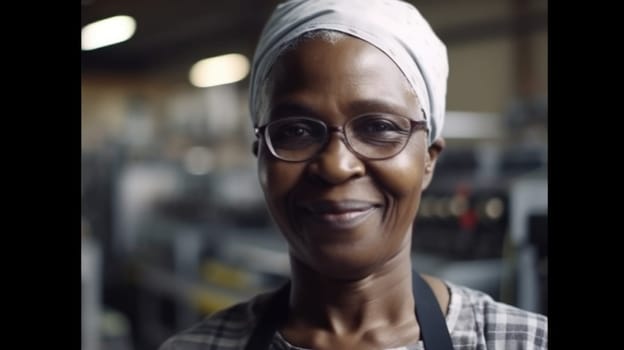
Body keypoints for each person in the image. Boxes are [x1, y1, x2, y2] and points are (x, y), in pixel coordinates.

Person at [159, 0, 548, 349]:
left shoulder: (521, 342)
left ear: (429, 159)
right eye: (296, 130)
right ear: (261, 154)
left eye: (378, 127)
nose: (336, 165)